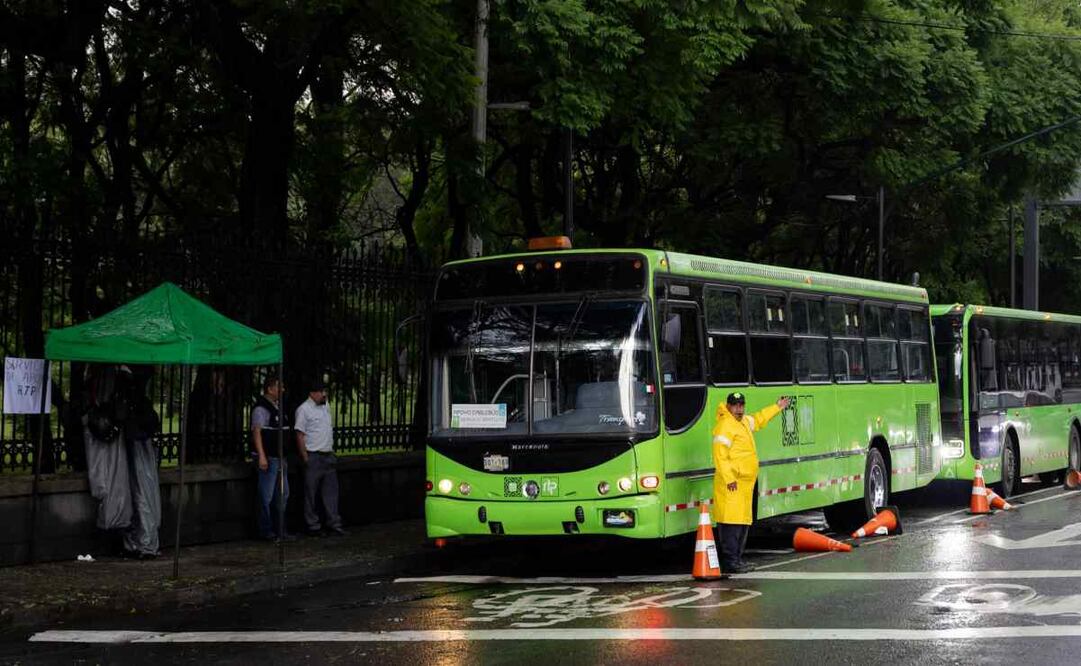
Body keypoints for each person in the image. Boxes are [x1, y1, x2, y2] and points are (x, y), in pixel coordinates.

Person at [712, 391, 791, 574]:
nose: (739, 409)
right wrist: (730, 479)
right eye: (735, 405)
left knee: (742, 522)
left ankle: (737, 560)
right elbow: (720, 457)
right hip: (732, 483)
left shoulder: (744, 422)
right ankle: (731, 561)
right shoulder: (725, 426)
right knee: (731, 523)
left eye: (741, 405)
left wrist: (777, 407)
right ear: (728, 406)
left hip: (744, 484)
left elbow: (760, 419)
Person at [295, 378, 346, 537]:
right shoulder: (303, 410)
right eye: (321, 392)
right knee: (311, 492)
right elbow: (299, 434)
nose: (324, 394)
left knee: (331, 492)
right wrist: (305, 456)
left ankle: (334, 523)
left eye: (325, 391)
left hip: (327, 454)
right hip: (314, 455)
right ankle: (313, 526)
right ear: (312, 394)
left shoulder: (325, 406)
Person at [121, 366, 162, 559]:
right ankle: (141, 542)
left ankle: (143, 543)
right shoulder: (138, 402)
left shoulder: (136, 402)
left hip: (138, 443)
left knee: (141, 494)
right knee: (141, 494)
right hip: (139, 442)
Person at [251, 375, 293, 541]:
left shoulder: (278, 407)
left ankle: (280, 529)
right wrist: (261, 456)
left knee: (282, 494)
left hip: (280, 457)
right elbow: (257, 432)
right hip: (269, 457)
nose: (282, 390)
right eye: (279, 387)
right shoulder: (261, 409)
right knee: (266, 496)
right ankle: (266, 530)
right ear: (270, 389)